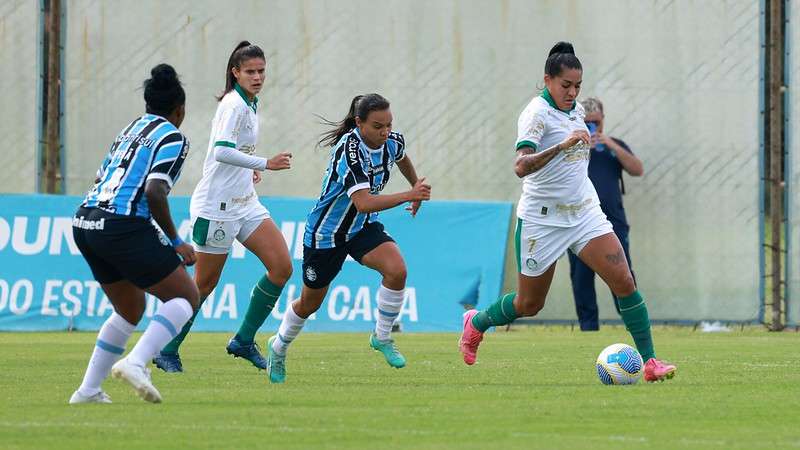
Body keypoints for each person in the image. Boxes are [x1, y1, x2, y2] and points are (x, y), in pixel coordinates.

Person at [458, 42, 676, 382]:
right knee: (529, 304)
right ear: (548, 80)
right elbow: (520, 166)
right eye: (566, 85)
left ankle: (650, 362)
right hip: (542, 219)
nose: (573, 93)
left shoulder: (574, 110)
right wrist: (562, 146)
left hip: (585, 213)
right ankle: (478, 321)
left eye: (578, 86)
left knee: (624, 279)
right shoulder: (536, 114)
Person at [264, 94, 431, 383]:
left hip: (360, 227)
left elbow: (401, 156)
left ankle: (381, 337)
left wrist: (414, 182)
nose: (385, 132)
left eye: (389, 124)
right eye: (378, 126)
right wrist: (410, 194)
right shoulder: (349, 152)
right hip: (326, 234)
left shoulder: (391, 140)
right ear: (359, 123)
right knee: (310, 303)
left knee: (397, 271)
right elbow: (364, 201)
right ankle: (278, 347)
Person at [152, 41, 293, 373]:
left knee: (282, 266)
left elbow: (234, 153)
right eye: (250, 71)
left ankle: (243, 340)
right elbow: (220, 151)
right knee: (203, 284)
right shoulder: (233, 105)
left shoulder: (250, 103)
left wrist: (249, 169)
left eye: (261, 71)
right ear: (236, 73)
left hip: (244, 203)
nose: (257, 77)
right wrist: (265, 163)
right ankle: (167, 349)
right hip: (217, 206)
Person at [69, 64, 199, 404]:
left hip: (85, 221)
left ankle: (88, 391)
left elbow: (101, 179)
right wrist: (176, 241)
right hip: (120, 223)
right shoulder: (173, 136)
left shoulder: (130, 129)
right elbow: (155, 191)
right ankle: (137, 363)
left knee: (129, 308)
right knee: (185, 296)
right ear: (179, 110)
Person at [567, 97, 644, 331]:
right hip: (579, 223)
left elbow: (637, 169)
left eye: (596, 122)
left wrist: (609, 143)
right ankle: (588, 329)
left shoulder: (614, 146)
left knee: (622, 275)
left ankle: (635, 325)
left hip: (613, 223)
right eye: (587, 122)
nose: (592, 127)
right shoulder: (572, 147)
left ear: (603, 121)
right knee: (581, 280)